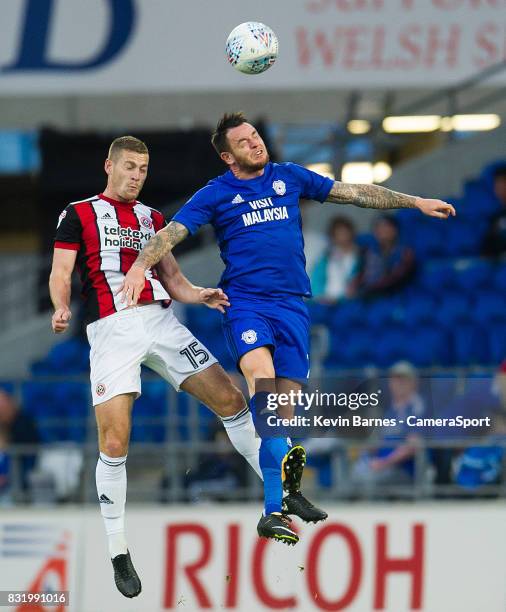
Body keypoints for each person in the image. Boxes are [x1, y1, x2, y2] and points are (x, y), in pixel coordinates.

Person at [119, 112, 455, 544]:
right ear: (228, 156)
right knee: (263, 386)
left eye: (256, 136)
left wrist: (416, 202)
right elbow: (171, 233)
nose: (256, 144)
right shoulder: (217, 193)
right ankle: (272, 511)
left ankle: (283, 497)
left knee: (285, 412)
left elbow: (354, 192)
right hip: (246, 304)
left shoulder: (290, 177)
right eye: (244, 142)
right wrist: (140, 267)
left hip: (293, 307)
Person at [49, 136, 306, 599]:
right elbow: (61, 271)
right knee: (114, 440)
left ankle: (279, 492)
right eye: (129, 166)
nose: (136, 175)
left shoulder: (154, 219)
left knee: (230, 398)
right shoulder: (78, 213)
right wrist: (61, 306)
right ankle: (118, 549)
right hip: (112, 330)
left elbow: (173, 279)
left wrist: (199, 293)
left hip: (161, 321)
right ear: (108, 165)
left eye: (143, 169)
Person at [350, 361, 425, 492]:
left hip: (401, 470)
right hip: (381, 466)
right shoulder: (391, 411)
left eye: (403, 380)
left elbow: (412, 447)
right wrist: (368, 453)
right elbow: (379, 442)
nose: (399, 384)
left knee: (367, 480)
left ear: (413, 383)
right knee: (354, 473)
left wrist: (384, 463)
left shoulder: (416, 408)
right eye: (395, 380)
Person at [356, 214, 415, 298]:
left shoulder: (405, 253)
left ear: (395, 230)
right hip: (369, 295)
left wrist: (372, 288)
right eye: (377, 227)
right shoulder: (368, 252)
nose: (380, 230)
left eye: (385, 227)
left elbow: (397, 279)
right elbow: (361, 274)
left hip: (395, 296)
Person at [311, 216, 362, 302]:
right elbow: (316, 281)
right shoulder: (326, 257)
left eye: (345, 233)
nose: (343, 237)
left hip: (348, 303)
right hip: (324, 302)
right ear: (333, 236)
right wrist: (320, 297)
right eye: (338, 233)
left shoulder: (360, 256)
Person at [482, 165, 506, 257]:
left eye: (503, 183)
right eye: (497, 185)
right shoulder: (495, 217)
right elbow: (487, 250)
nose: (501, 189)